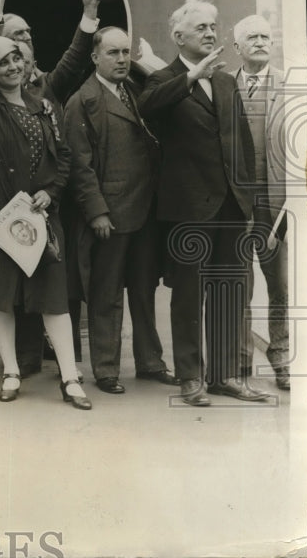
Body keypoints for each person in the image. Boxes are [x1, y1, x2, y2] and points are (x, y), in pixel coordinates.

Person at [0, 28, 91, 410]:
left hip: (40, 218)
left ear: (26, 64)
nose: (12, 66)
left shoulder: (42, 106)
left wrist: (52, 192)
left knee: (54, 299)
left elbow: (63, 157)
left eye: (16, 59)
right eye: (2, 62)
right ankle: (10, 371)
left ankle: (70, 377)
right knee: (1, 297)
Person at [138, 0, 267, 405]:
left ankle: (225, 375)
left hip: (230, 206)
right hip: (188, 208)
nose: (211, 33)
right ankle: (191, 377)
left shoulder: (228, 82)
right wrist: (192, 76)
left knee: (229, 290)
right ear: (178, 37)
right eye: (202, 28)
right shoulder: (162, 79)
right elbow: (149, 108)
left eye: (213, 27)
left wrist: (248, 204)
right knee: (189, 295)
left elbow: (242, 144)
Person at [0, 0, 101, 376]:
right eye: (15, 38)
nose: (23, 44)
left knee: (51, 282)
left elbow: (75, 56)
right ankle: (25, 358)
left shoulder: (47, 90)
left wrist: (89, 15)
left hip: (49, 202)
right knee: (14, 284)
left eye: (28, 38)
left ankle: (66, 364)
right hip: (8, 204)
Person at [64, 27, 178, 394]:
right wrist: (96, 211)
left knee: (144, 290)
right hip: (110, 216)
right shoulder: (82, 100)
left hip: (144, 211)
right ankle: (107, 369)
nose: (122, 59)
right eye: (112, 53)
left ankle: (150, 362)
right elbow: (78, 165)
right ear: (94, 57)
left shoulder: (134, 89)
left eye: (126, 52)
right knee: (106, 293)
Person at [231, 15, 289, 391]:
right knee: (238, 283)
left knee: (279, 284)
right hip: (236, 203)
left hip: (276, 202)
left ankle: (281, 354)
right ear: (237, 46)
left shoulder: (291, 84)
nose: (260, 42)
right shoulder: (223, 85)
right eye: (251, 37)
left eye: (266, 36)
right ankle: (238, 361)